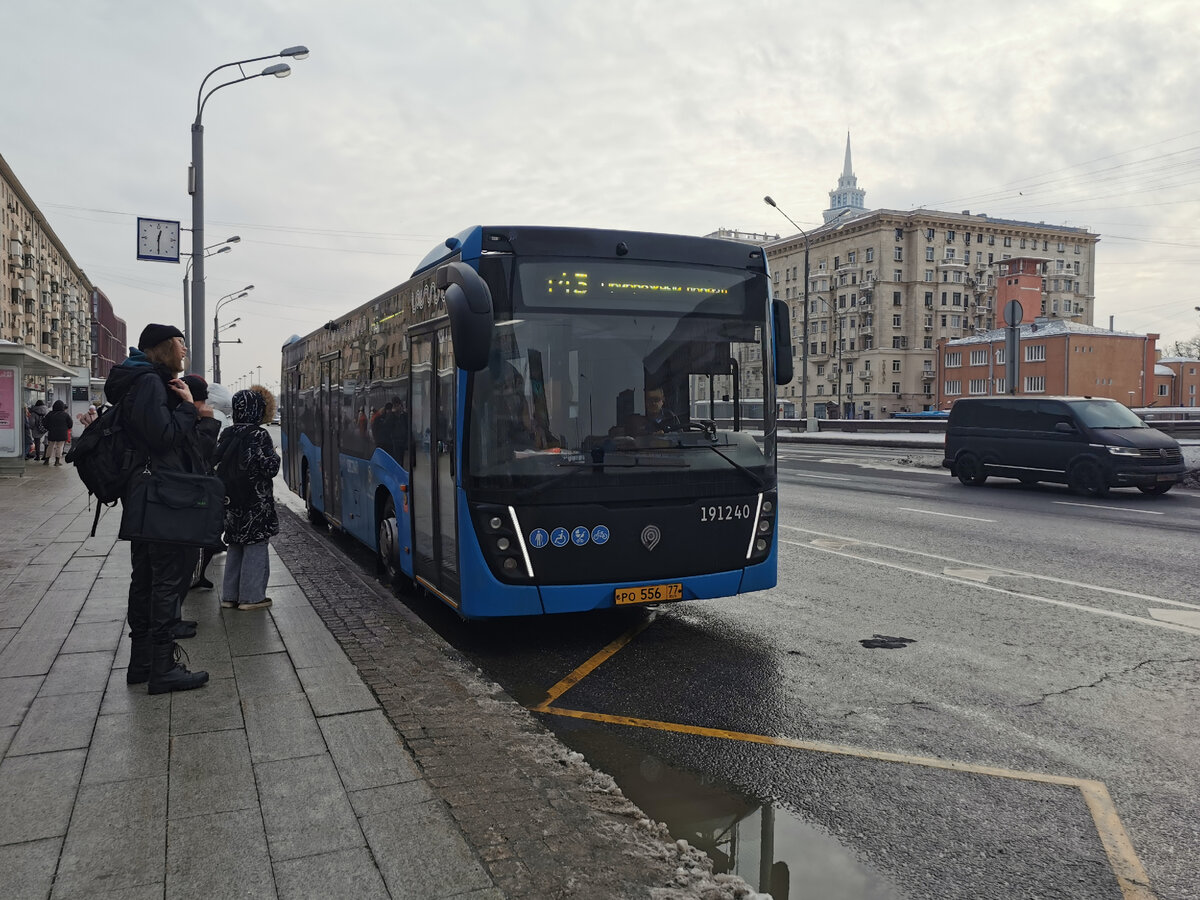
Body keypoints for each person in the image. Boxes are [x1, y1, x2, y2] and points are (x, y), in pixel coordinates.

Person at [105, 323, 210, 694]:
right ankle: (162, 667)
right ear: (164, 347)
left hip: (150, 498)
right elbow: (162, 437)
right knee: (166, 579)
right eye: (181, 344)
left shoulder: (144, 381)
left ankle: (143, 662)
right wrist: (186, 409)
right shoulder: (149, 383)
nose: (185, 350)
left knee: (148, 579)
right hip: (160, 499)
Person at [214, 386, 280, 611]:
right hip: (255, 502)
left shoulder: (227, 433)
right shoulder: (259, 434)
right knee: (256, 545)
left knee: (235, 544)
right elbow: (269, 467)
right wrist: (275, 455)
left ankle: (229, 596)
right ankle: (251, 598)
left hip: (232, 501)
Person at [42, 400, 74, 466]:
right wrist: (66, 428)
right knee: (59, 447)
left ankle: (47, 460)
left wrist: (49, 428)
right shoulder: (65, 415)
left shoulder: (50, 414)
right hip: (62, 433)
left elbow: (44, 423)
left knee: (50, 446)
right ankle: (57, 461)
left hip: (52, 432)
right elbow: (70, 424)